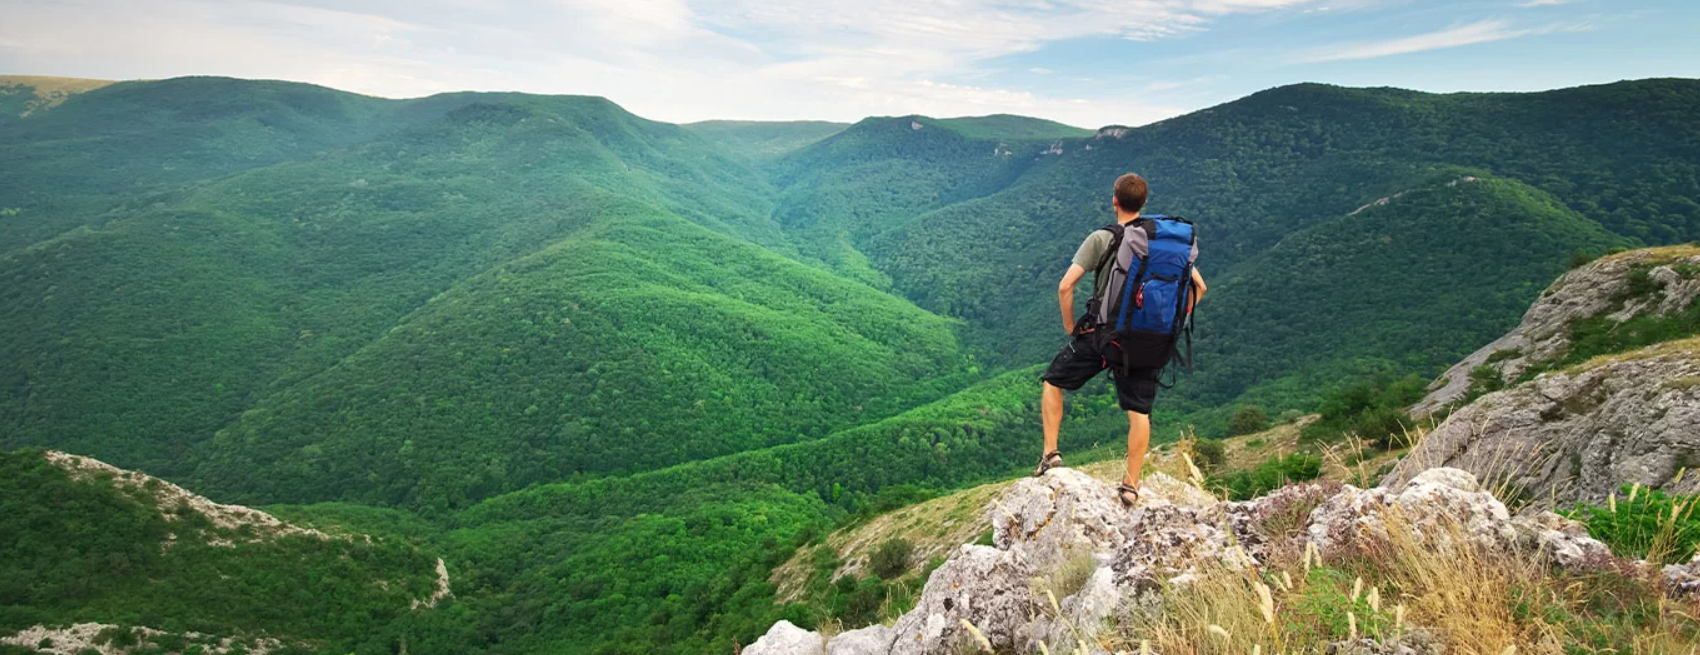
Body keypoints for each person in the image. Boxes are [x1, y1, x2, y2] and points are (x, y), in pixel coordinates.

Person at [1032, 173, 1206, 507]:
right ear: (1144, 203)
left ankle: (1050, 454)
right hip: (1147, 342)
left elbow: (1065, 286)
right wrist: (1173, 323)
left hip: (1103, 339)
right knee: (1139, 412)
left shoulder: (1102, 238)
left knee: (1054, 380)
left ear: (1114, 201)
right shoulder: (1160, 243)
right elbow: (1200, 287)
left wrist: (1071, 326)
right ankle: (1131, 485)